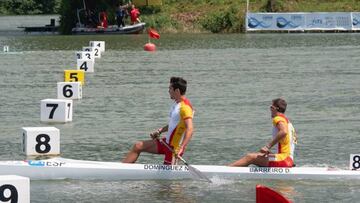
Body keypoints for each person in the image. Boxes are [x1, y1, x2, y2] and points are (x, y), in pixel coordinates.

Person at [122, 77, 194, 165]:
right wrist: (160, 131)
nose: (168, 91)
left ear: (177, 91)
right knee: (138, 146)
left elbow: (190, 129)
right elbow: (174, 124)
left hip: (174, 148)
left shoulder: (185, 107)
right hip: (167, 143)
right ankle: (119, 169)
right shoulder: (176, 104)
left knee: (168, 178)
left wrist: (182, 147)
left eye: (170, 88)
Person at [229, 98, 297, 167]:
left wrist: (268, 146)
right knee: (259, 155)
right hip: (287, 159)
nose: (270, 109)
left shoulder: (278, 118)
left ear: (275, 108)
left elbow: (284, 132)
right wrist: (270, 153)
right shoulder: (288, 123)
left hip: (284, 159)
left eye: (271, 107)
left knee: (250, 157)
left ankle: (226, 170)